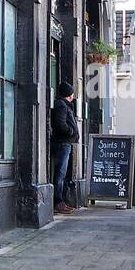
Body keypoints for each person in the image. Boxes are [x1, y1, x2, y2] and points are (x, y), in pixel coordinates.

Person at [50, 81, 79, 215]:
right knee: (60, 174)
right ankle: (58, 202)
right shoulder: (62, 105)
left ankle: (61, 201)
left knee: (62, 174)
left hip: (64, 143)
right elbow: (60, 124)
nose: (73, 97)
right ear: (68, 94)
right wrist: (71, 132)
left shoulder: (64, 105)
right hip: (63, 143)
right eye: (72, 94)